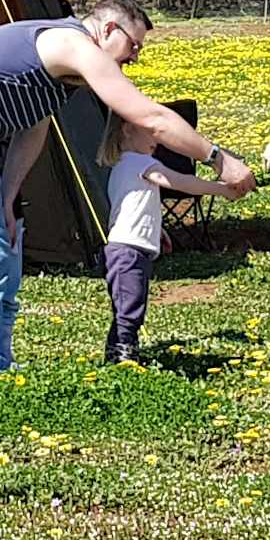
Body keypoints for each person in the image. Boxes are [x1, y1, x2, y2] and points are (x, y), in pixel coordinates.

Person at [0, 0, 250, 378]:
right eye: (133, 45)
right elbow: (151, 117)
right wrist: (218, 158)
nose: (135, 58)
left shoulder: (58, 74)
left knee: (4, 242)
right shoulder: (75, 44)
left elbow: (33, 129)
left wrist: (7, 197)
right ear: (108, 29)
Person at [97, 112, 244, 364]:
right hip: (127, 251)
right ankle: (123, 355)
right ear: (127, 129)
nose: (157, 139)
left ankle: (119, 351)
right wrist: (220, 189)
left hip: (127, 249)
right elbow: (177, 181)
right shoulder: (139, 162)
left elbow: (133, 206)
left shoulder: (122, 166)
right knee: (129, 306)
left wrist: (157, 230)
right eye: (149, 131)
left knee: (129, 303)